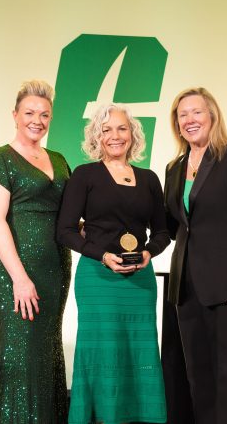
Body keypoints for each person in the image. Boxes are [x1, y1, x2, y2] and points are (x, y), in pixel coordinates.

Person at [57, 103, 170, 424]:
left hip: (139, 282)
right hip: (97, 278)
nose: (115, 136)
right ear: (97, 136)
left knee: (140, 350)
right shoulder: (85, 175)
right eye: (106, 130)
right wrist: (101, 255)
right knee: (102, 352)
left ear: (133, 135)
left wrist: (148, 253)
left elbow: (163, 231)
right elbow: (65, 231)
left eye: (122, 128)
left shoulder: (149, 179)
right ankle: (100, 417)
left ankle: (141, 417)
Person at [164, 87, 227, 424]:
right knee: (199, 382)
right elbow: (170, 226)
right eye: (183, 115)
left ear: (212, 116)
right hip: (186, 290)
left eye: (196, 112)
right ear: (177, 124)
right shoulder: (174, 168)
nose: (190, 120)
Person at [0, 80, 71, 423]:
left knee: (47, 356)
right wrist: (19, 278)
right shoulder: (0, 159)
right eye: (29, 112)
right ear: (14, 115)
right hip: (14, 271)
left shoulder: (58, 159)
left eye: (44, 114)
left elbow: (70, 217)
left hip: (54, 269)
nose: (37, 120)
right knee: (22, 357)